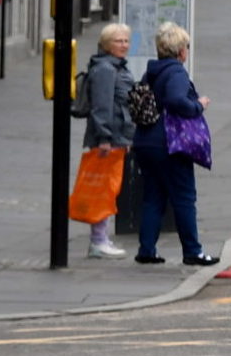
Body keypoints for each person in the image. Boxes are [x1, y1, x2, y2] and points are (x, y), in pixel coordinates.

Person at [131, 22, 219, 267]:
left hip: (146, 142)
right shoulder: (177, 72)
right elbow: (176, 100)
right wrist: (198, 105)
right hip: (169, 144)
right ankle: (193, 251)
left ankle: (146, 250)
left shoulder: (151, 72)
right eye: (186, 47)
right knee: (184, 197)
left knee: (153, 197)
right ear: (180, 50)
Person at [79, 22, 135, 259]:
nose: (123, 45)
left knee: (109, 188)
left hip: (118, 136)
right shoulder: (105, 69)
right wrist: (104, 138)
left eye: (125, 41)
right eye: (118, 41)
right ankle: (98, 240)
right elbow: (102, 106)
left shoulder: (115, 67)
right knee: (103, 188)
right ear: (105, 44)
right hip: (108, 139)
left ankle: (101, 238)